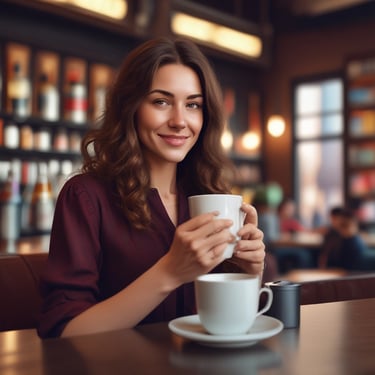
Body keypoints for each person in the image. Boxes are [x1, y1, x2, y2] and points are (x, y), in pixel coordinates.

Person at [37, 37, 266, 338]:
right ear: (130, 107)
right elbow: (63, 333)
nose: (180, 121)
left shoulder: (208, 196)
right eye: (161, 101)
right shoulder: (86, 196)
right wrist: (170, 271)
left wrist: (251, 272)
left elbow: (234, 324)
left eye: (193, 105)